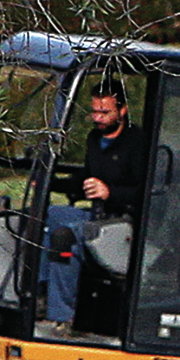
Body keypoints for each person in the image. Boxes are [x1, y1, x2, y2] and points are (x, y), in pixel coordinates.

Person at [42, 77, 147, 334]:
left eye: (105, 112)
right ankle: (38, 294)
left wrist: (110, 192)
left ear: (122, 110)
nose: (98, 118)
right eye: (95, 112)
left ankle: (61, 316)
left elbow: (146, 191)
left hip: (125, 220)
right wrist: (49, 183)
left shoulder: (139, 143)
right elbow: (85, 178)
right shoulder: (94, 139)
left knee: (65, 235)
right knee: (43, 216)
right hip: (97, 214)